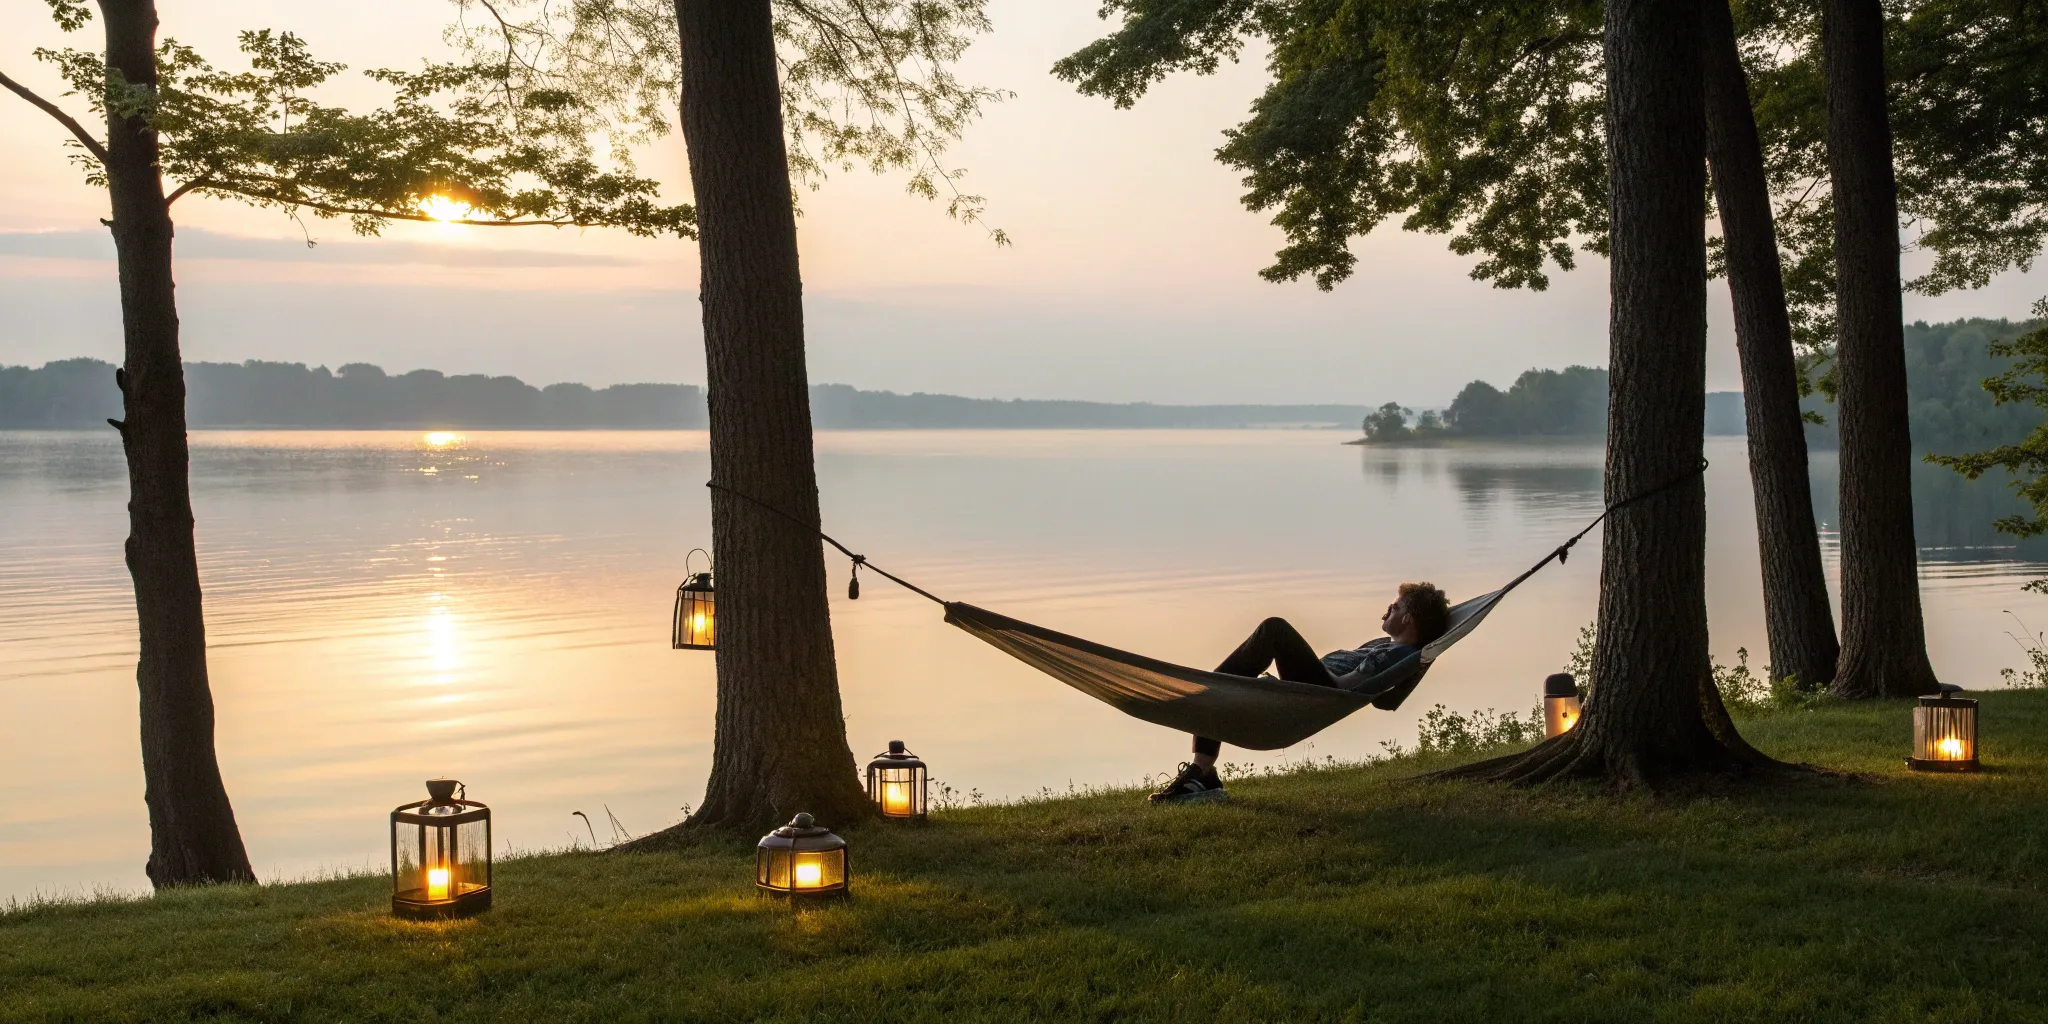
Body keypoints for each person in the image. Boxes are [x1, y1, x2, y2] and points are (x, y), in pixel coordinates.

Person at [1148, 581, 1452, 804]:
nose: (1388, 608)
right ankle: (1203, 774)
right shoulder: (1385, 646)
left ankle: (1202, 763)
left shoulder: (1396, 656)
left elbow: (1348, 689)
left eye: (1396, 606)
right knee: (1219, 692)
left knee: (1274, 629)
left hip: (1321, 693)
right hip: (1312, 685)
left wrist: (1283, 684)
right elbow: (1388, 700)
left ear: (1409, 618)